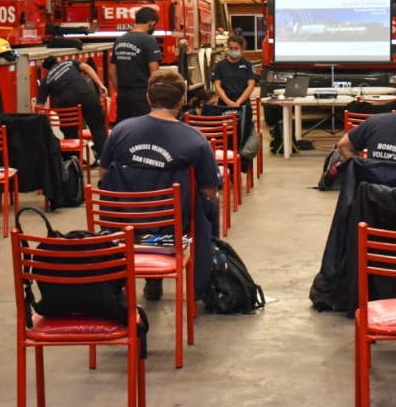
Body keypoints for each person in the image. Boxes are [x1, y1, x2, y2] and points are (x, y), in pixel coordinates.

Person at [98, 69, 220, 301]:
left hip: (122, 225)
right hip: (171, 228)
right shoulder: (196, 139)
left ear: (148, 97)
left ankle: (145, 281)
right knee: (210, 205)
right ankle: (204, 284)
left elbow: (104, 177)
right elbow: (209, 190)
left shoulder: (120, 131)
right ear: (182, 101)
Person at [37, 56, 109, 162]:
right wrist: (100, 84)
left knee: (70, 136)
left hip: (66, 101)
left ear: (45, 69)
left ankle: (72, 168)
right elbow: (87, 68)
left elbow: (39, 107)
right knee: (98, 128)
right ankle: (106, 161)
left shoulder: (46, 79)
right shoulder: (69, 63)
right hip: (86, 94)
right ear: (58, 61)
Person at [109, 6, 162, 123]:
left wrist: (120, 90)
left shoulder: (119, 40)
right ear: (151, 23)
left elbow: (112, 71)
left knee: (124, 129)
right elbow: (155, 72)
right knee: (143, 130)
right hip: (141, 96)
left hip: (123, 95)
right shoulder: (149, 40)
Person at [210, 33, 256, 167]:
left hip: (243, 105)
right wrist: (228, 102)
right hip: (224, 105)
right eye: (231, 48)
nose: (233, 51)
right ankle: (224, 167)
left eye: (236, 48)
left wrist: (239, 102)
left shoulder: (247, 65)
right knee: (224, 136)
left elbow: (251, 85)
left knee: (243, 136)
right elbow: (217, 86)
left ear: (242, 49)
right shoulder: (220, 65)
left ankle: (242, 165)